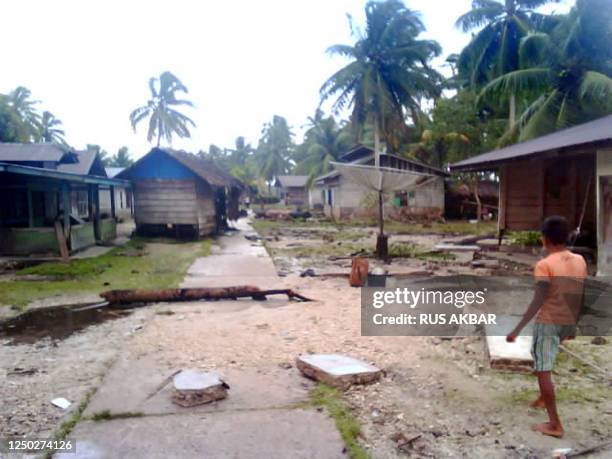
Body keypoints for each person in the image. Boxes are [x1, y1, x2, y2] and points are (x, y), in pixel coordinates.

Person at [506, 216, 587, 438]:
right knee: (540, 356)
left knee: (543, 369)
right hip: (567, 320)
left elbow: (538, 301)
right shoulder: (580, 260)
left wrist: (517, 329)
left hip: (549, 321)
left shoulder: (545, 265)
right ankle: (543, 397)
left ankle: (554, 424)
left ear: (545, 239)